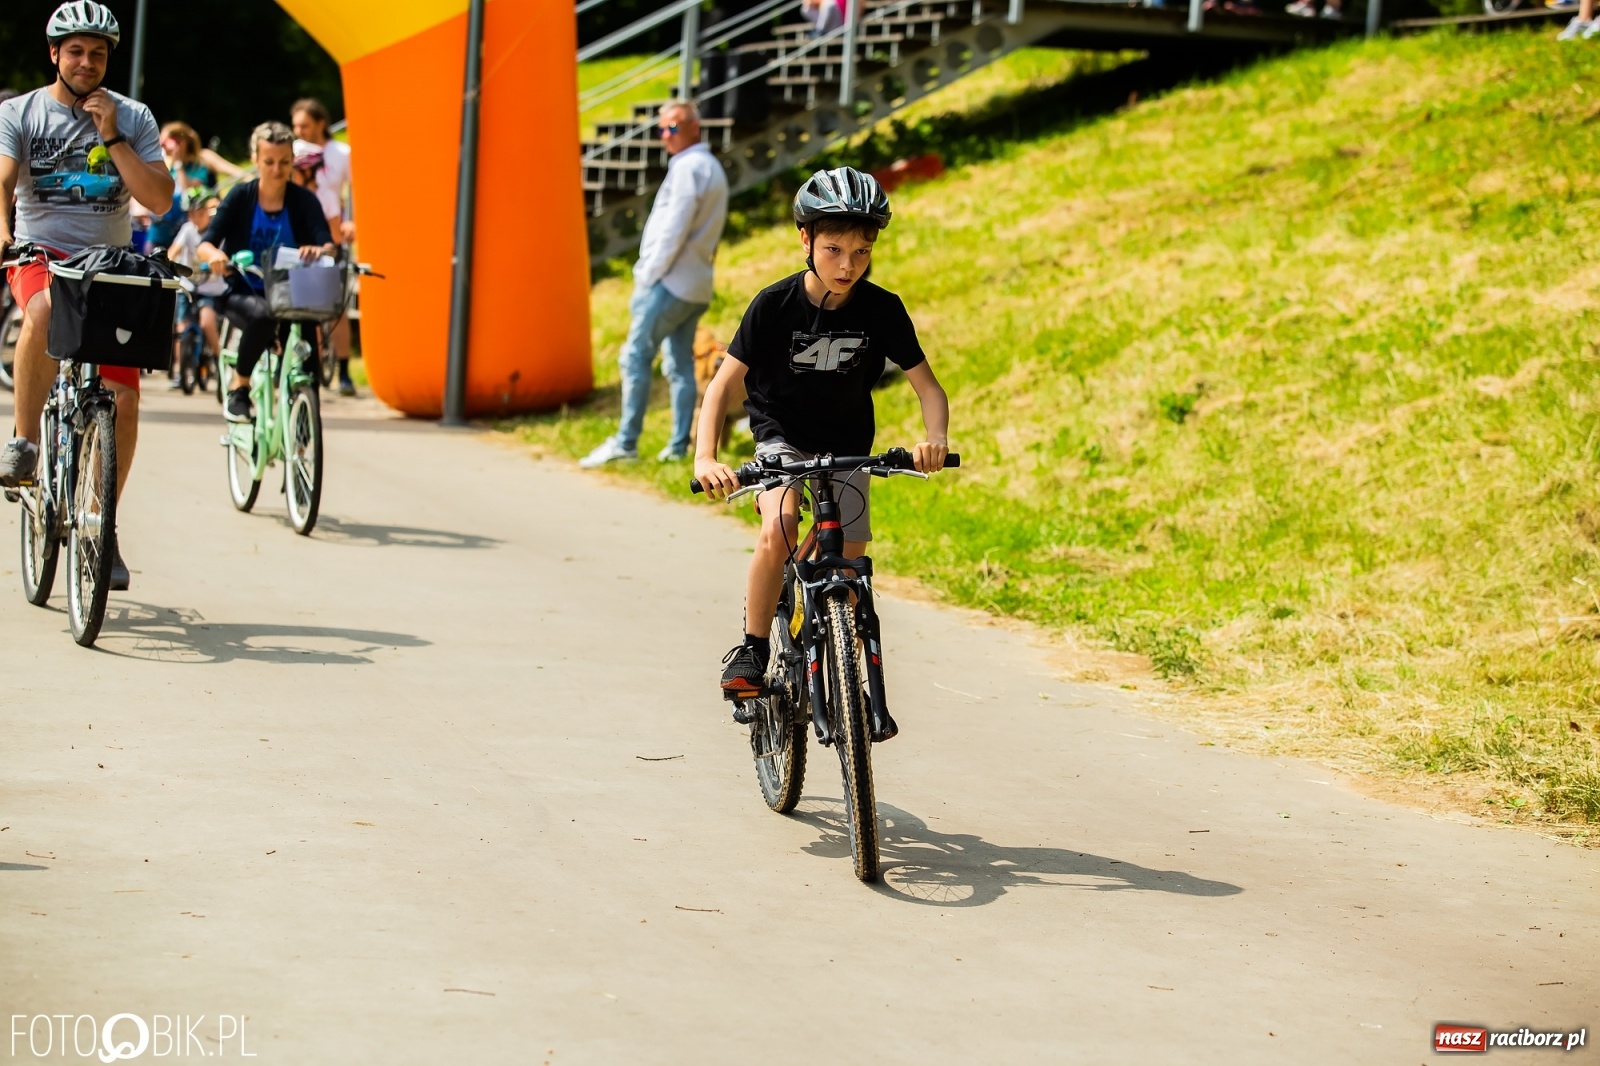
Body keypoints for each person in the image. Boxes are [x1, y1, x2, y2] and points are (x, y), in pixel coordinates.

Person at [693, 166, 950, 700]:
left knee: (851, 558)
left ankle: (838, 649)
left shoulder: (883, 309)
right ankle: (754, 646)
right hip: (780, 434)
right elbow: (720, 390)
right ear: (805, 239)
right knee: (781, 524)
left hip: (848, 444)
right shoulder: (774, 305)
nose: (847, 266)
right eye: (833, 249)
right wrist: (705, 459)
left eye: (861, 253)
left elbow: (929, 389)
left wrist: (935, 440)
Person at [0, 1, 175, 591]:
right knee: (44, 311)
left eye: (97, 53)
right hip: (41, 256)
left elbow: (158, 199)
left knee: (123, 403)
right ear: (54, 54)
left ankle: (104, 521)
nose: (86, 61)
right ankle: (24, 443)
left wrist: (113, 135)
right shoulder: (21, 112)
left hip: (109, 266)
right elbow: (2, 180)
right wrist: (5, 236)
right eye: (74, 51)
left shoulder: (134, 116)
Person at [581, 101, 729, 467]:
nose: (666, 134)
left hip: (670, 281)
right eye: (662, 128)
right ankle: (678, 446)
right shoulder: (710, 167)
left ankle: (626, 442)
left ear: (695, 127)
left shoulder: (689, 168)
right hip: (696, 283)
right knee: (679, 364)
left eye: (674, 127)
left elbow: (673, 228)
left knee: (634, 357)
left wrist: (647, 274)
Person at [195, 121, 333, 423]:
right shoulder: (241, 197)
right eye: (268, 162)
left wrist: (319, 251)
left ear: (292, 162)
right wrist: (217, 256)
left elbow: (327, 244)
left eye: (284, 162)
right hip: (243, 289)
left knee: (308, 357)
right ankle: (239, 386)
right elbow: (205, 245)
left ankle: (303, 427)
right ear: (255, 159)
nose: (276, 169)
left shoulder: (304, 201)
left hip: (293, 294)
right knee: (263, 315)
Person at [290, 98, 356, 396]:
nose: (299, 131)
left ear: (320, 123)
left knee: (335, 308)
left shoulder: (342, 154)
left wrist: (350, 222)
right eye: (295, 126)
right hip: (301, 241)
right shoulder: (294, 151)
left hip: (332, 232)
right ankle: (309, 366)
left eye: (304, 125)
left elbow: (356, 190)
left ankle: (343, 370)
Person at [137, 120, 242, 254]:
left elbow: (188, 194)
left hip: (184, 230)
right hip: (159, 232)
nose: (162, 148)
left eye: (165, 143)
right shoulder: (164, 163)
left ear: (180, 143)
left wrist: (178, 164)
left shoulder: (198, 165)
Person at [166, 185, 223, 387]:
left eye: (200, 213)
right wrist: (166, 263)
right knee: (182, 327)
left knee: (207, 323)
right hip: (189, 285)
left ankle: (219, 360)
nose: (196, 218)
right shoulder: (187, 230)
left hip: (210, 288)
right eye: (192, 214)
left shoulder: (216, 231)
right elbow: (174, 249)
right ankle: (182, 372)